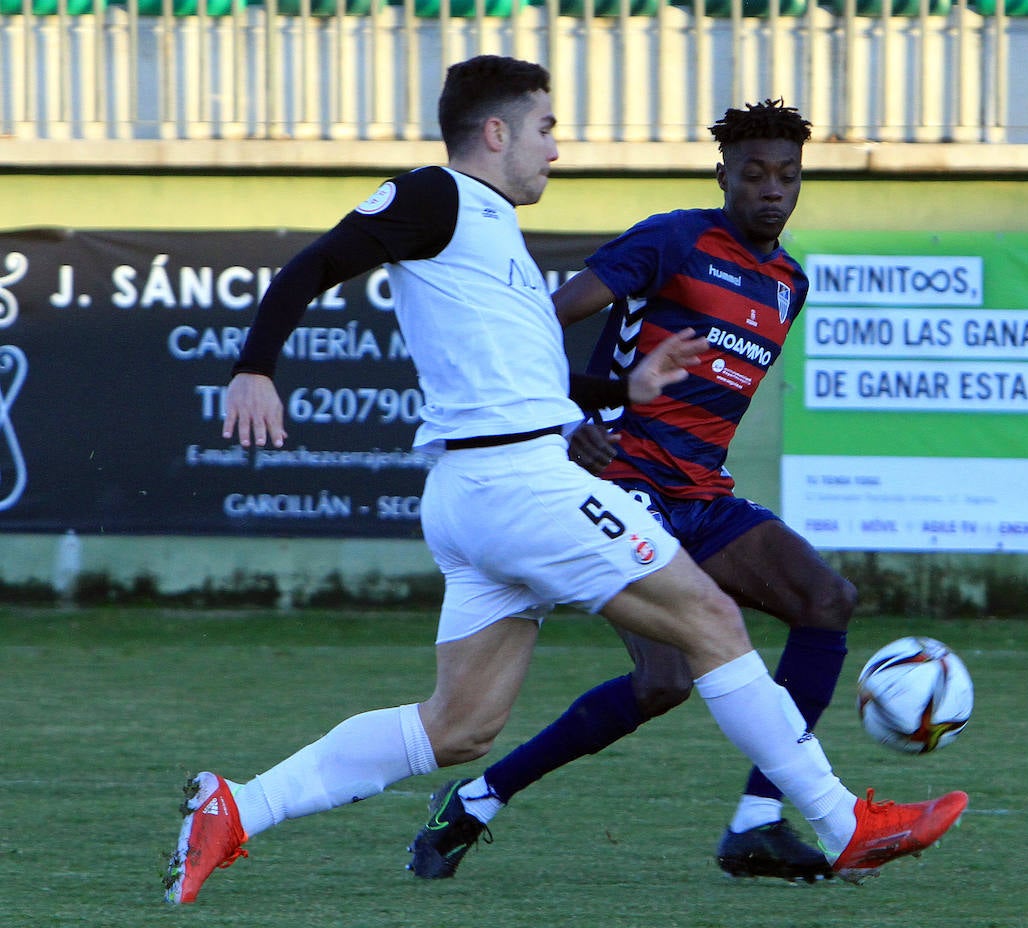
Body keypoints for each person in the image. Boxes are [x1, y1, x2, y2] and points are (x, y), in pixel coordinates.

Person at [162, 56, 968, 906]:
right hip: (519, 486)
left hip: (480, 494)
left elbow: (529, 378)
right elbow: (312, 266)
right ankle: (841, 825)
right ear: (498, 131)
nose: (557, 147)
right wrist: (254, 367)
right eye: (546, 128)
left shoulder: (492, 229)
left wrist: (626, 389)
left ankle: (237, 808)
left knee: (460, 725)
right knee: (711, 618)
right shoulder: (433, 195)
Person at [406, 100, 866, 885]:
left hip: (702, 494)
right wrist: (564, 416)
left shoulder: (790, 282)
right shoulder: (675, 239)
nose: (771, 191)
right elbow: (541, 322)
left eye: (786, 176)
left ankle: (757, 820)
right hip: (620, 482)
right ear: (722, 174)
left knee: (827, 600)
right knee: (663, 682)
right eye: (752, 174)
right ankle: (478, 798)